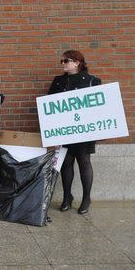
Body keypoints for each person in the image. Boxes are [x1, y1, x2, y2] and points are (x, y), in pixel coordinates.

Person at [48, 50, 101, 214]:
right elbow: (49, 105)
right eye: (62, 61)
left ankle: (86, 198)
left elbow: (99, 106)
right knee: (67, 162)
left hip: (83, 130)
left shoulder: (92, 81)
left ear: (77, 62)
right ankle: (67, 197)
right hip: (65, 130)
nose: (63, 63)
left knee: (84, 162)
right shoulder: (58, 81)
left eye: (67, 61)